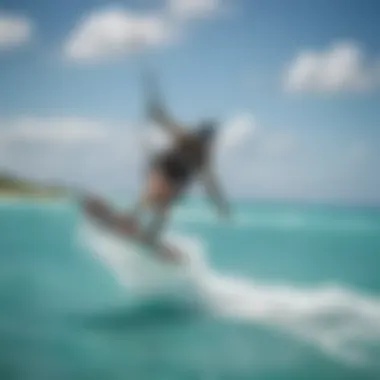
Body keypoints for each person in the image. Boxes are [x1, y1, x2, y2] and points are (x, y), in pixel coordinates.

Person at [131, 74, 230, 248]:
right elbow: (167, 123)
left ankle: (150, 237)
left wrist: (220, 205)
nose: (200, 144)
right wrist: (156, 112)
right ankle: (131, 219)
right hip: (164, 169)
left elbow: (211, 184)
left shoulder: (202, 158)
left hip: (177, 181)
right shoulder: (186, 137)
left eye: (204, 141)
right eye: (201, 139)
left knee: (164, 208)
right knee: (152, 195)